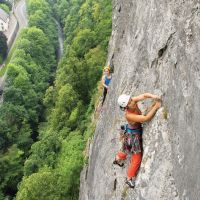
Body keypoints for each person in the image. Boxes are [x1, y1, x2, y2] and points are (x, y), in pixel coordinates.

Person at [113, 93, 162, 188]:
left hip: (130, 133)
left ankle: (118, 158)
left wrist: (153, 96)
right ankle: (129, 178)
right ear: (126, 106)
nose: (133, 101)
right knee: (137, 157)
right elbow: (145, 118)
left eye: (131, 99)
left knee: (126, 149)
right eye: (130, 102)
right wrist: (156, 106)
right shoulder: (129, 115)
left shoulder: (131, 102)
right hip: (133, 136)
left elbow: (143, 96)